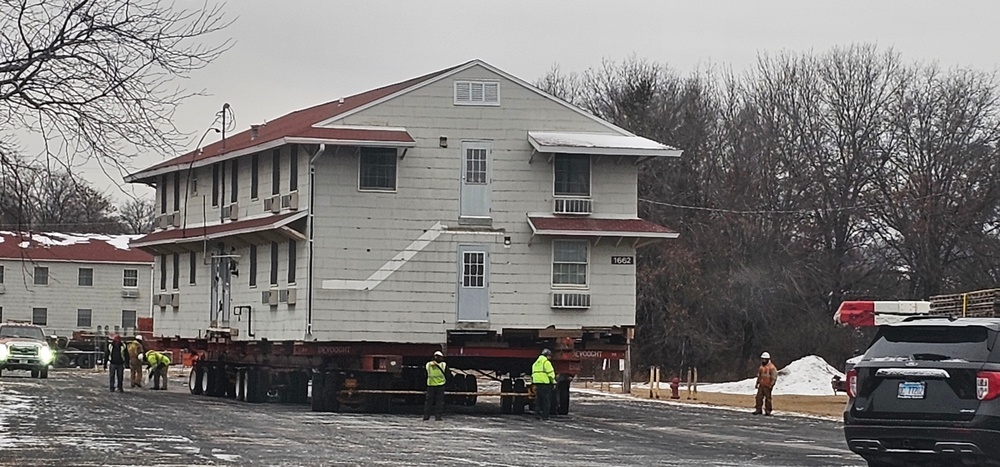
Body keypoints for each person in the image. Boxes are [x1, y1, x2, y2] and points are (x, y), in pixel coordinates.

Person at [532, 349, 556, 421]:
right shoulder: (546, 362)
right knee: (546, 400)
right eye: (549, 356)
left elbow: (533, 373)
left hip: (537, 383)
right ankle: (545, 416)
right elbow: (551, 373)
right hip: (545, 383)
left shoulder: (536, 363)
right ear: (547, 355)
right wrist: (553, 382)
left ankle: (537, 414)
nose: (550, 358)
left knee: (539, 400)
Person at [423, 350, 447, 421]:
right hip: (441, 385)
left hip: (430, 385)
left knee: (428, 402)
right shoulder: (443, 365)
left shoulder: (428, 365)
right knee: (439, 402)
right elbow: (448, 375)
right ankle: (438, 417)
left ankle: (426, 416)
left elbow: (425, 374)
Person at [754, 351, 778, 416]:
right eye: (762, 359)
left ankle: (768, 410)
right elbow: (759, 376)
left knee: (768, 399)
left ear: (767, 359)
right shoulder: (761, 367)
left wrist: (771, 384)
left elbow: (774, 377)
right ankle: (758, 409)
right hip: (761, 385)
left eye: (764, 359)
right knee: (758, 398)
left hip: (768, 385)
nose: (763, 360)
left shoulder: (771, 367)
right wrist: (757, 383)